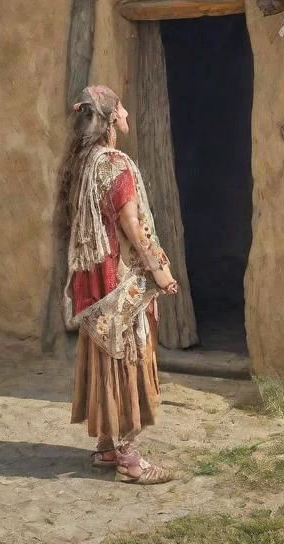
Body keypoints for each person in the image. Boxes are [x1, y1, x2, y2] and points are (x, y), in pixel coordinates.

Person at [55, 84, 181, 485]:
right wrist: (158, 270)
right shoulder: (116, 164)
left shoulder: (81, 163)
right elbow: (131, 223)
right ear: (110, 120)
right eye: (121, 110)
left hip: (93, 282)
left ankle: (107, 447)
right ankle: (129, 459)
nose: (127, 115)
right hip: (120, 281)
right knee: (128, 359)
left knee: (104, 358)